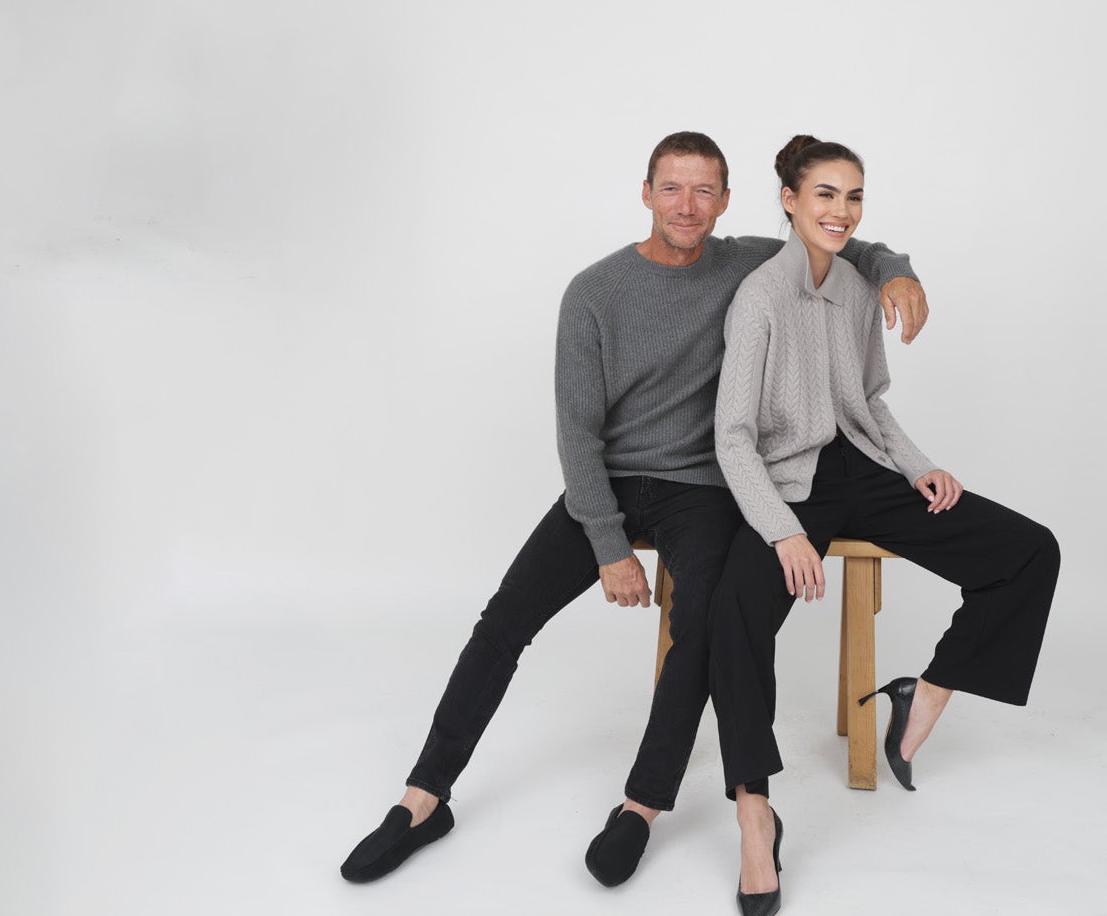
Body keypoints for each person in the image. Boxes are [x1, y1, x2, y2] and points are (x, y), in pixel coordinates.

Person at [338, 132, 935, 891]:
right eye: (672, 188)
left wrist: (898, 272)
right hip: (607, 483)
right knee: (503, 621)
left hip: (703, 489)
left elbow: (845, 242)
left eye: (705, 190)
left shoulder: (747, 262)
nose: (688, 206)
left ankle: (640, 806)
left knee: (701, 629)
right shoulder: (594, 291)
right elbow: (576, 433)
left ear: (726, 201)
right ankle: (423, 798)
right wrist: (608, 545)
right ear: (646, 193)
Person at [706, 136, 1061, 914]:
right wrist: (783, 531)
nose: (842, 211)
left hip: (864, 470)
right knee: (734, 613)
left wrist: (918, 466)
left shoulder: (860, 290)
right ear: (790, 200)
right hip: (790, 485)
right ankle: (755, 812)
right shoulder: (759, 296)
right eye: (825, 194)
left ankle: (926, 690)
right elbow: (732, 435)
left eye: (854, 196)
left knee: (1030, 551)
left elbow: (868, 401)